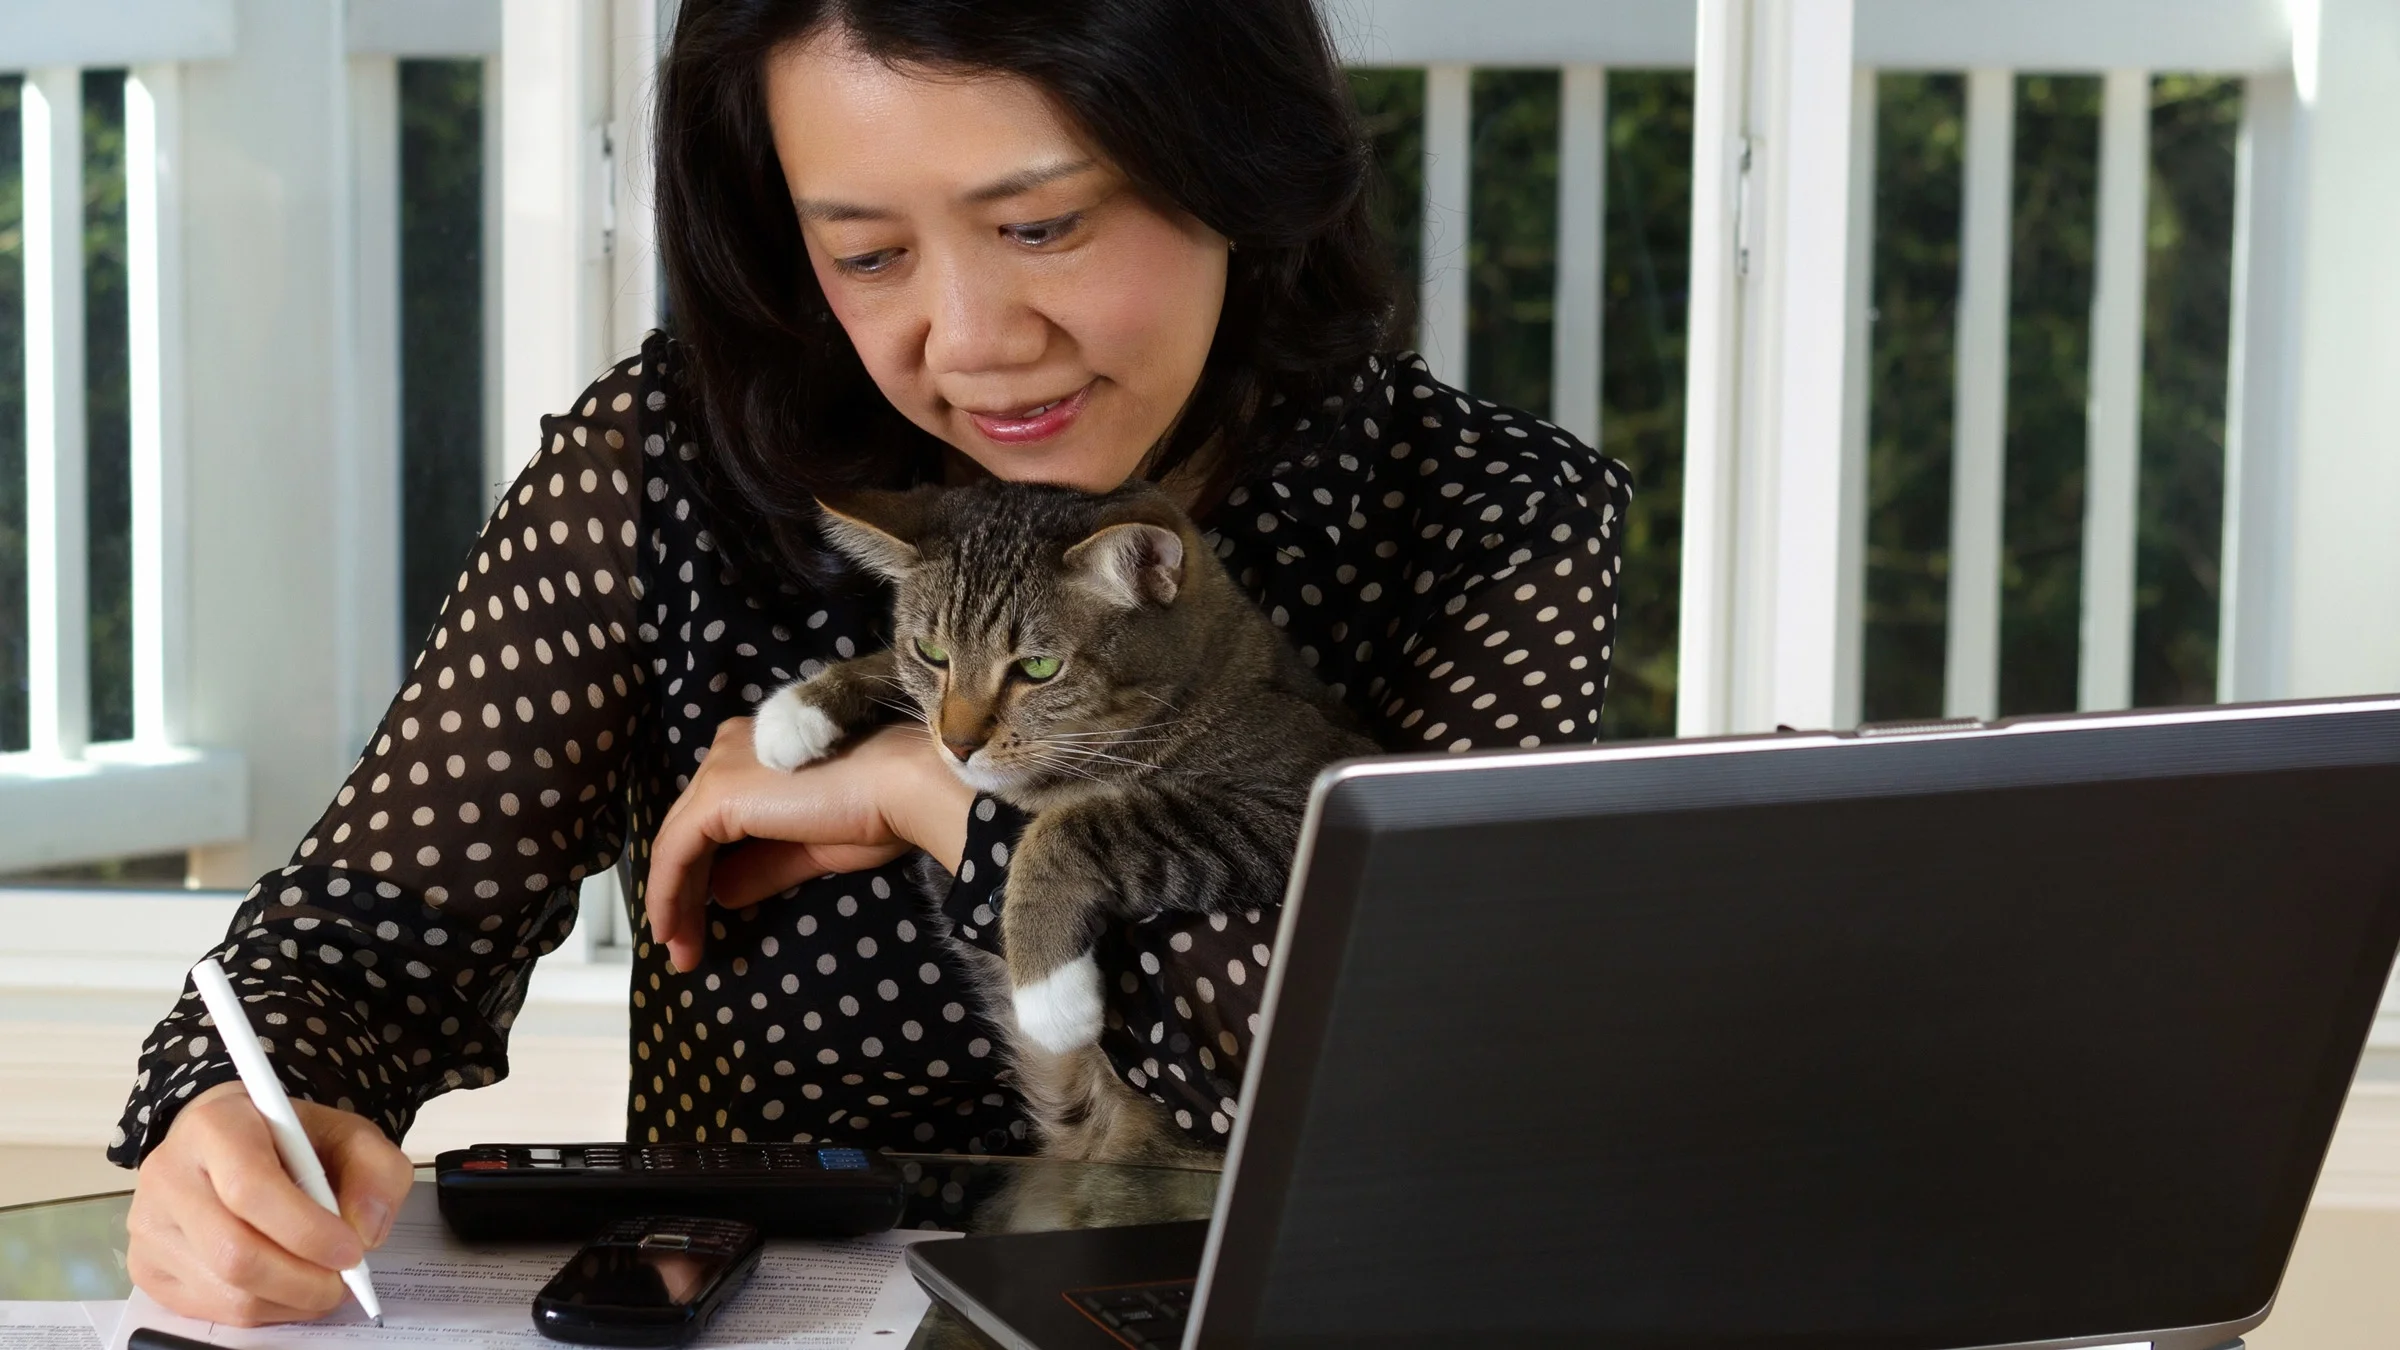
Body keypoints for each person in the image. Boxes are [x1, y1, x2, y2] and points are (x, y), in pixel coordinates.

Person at [110, 0, 1631, 1326]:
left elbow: (1399, 1104)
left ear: (1230, 157)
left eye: (1043, 226)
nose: (969, 340)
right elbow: (347, 948)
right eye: (868, 252)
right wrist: (232, 1131)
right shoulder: (676, 471)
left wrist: (941, 797)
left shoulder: (1479, 521)